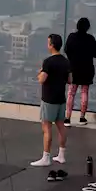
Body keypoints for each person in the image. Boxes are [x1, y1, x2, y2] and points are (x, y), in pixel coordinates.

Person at [30, 33, 70, 167]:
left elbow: (42, 79)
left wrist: (40, 72)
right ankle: (61, 155)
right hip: (61, 99)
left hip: (49, 99)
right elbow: (70, 80)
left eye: (48, 42)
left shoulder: (48, 62)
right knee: (61, 126)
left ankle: (46, 157)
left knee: (46, 127)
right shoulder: (66, 61)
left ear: (51, 45)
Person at [64, 17, 96, 126]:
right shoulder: (90, 39)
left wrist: (72, 59)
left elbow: (66, 50)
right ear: (87, 27)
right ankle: (82, 117)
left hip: (74, 68)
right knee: (84, 92)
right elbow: (95, 54)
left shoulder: (71, 37)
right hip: (87, 69)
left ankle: (67, 118)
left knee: (71, 93)